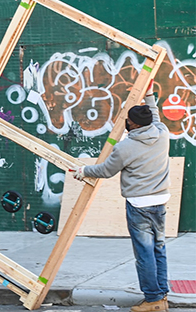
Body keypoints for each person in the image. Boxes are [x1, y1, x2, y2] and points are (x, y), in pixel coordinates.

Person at [73, 83, 170, 312]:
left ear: (133, 124)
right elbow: (154, 117)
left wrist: (83, 171)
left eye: (128, 120)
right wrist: (149, 96)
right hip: (160, 201)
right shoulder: (162, 133)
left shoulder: (125, 146)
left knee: (144, 254)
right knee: (159, 248)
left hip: (139, 205)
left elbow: (106, 170)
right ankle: (161, 295)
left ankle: (153, 299)